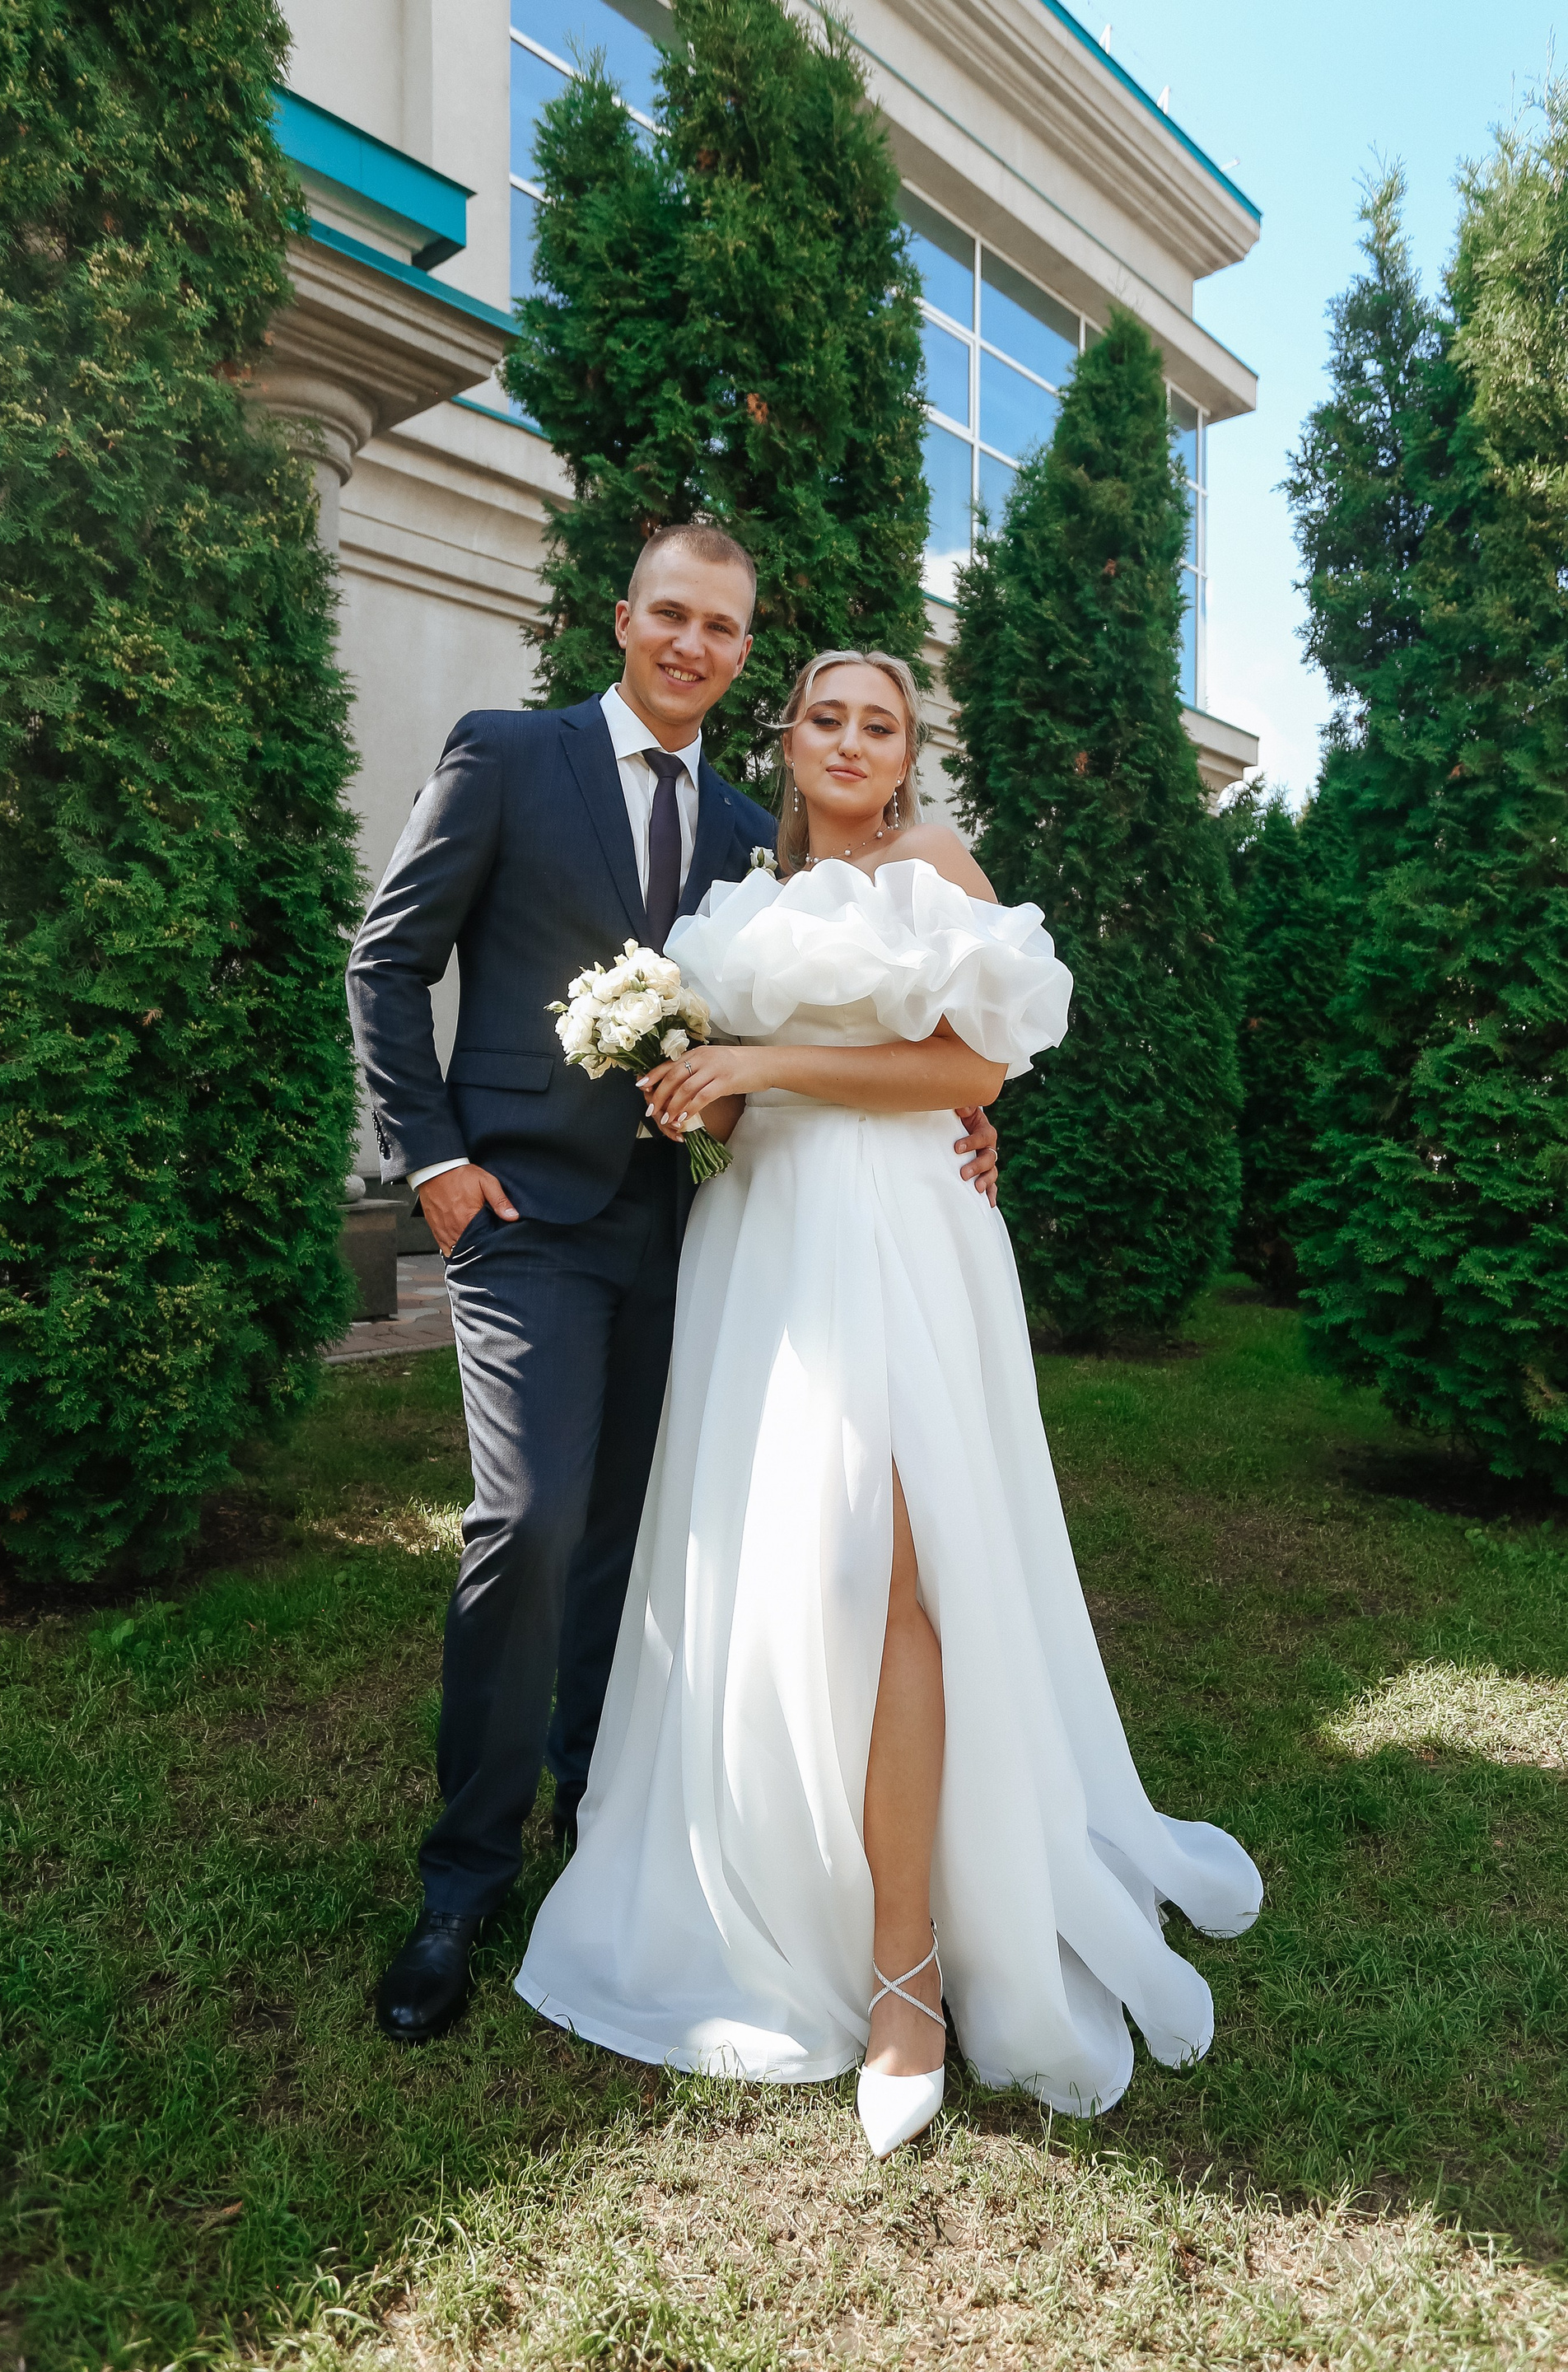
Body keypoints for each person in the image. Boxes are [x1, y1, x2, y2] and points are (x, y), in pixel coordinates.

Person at [516, 649, 1262, 2155]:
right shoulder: (741, 896)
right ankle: (769, 1889)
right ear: (787, 739)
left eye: (883, 723)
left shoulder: (933, 864)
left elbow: (974, 1067)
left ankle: (906, 1979)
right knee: (780, 1571)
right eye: (828, 717)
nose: (853, 741)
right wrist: (697, 1084)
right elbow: (749, 1095)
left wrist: (768, 1058)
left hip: (901, 1241)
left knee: (895, 1575)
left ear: (908, 753)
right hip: (763, 1245)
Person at [346, 534, 999, 2043]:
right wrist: (431, 1157)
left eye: (723, 626)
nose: (694, 643)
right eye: (673, 616)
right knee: (530, 1518)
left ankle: (607, 1823)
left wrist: (963, 1110)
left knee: (640, 1542)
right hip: (523, 1214)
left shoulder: (757, 840)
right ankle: (463, 1881)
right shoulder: (506, 755)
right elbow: (388, 960)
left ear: (743, 652)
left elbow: (857, 1014)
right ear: (625, 620)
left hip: (695, 1227)